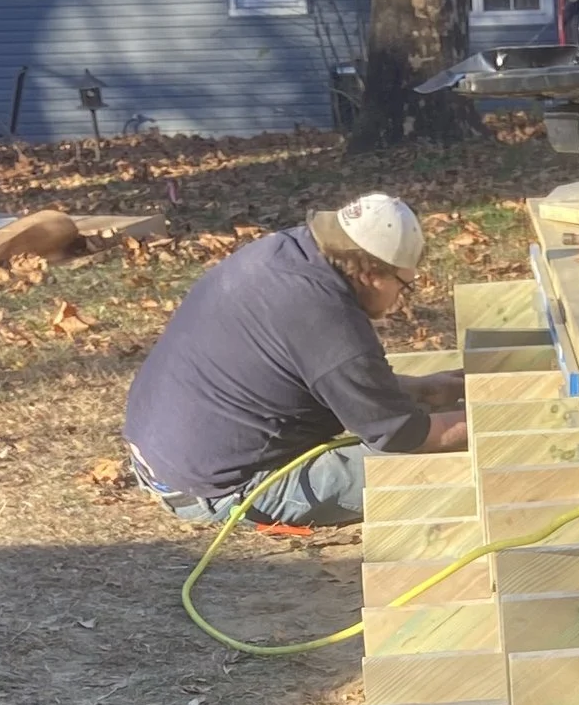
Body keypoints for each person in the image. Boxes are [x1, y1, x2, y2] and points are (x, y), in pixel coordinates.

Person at [124, 191, 468, 529]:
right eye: (404, 286)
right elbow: (404, 435)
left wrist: (421, 390)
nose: (399, 300)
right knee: (462, 463)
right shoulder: (327, 317)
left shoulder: (285, 253)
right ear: (372, 274)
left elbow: (314, 374)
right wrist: (493, 423)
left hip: (167, 459)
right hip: (220, 488)